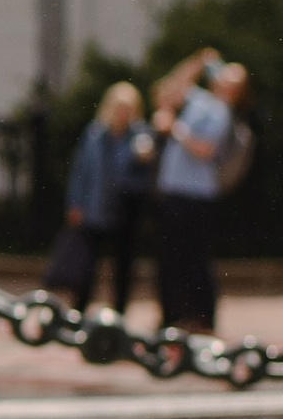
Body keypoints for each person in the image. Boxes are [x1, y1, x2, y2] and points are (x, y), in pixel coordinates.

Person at [151, 53, 248, 334]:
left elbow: (205, 149)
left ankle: (202, 318)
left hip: (196, 196)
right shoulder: (202, 101)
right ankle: (173, 317)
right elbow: (169, 89)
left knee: (194, 259)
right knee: (170, 258)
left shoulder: (222, 111)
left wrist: (175, 129)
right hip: (174, 191)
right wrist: (198, 61)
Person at [45, 79, 145, 312]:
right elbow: (81, 172)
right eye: (119, 107)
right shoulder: (95, 134)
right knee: (87, 264)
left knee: (123, 266)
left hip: (124, 210)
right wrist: (75, 203)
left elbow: (144, 178)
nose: (122, 113)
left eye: (128, 109)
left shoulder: (140, 137)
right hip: (95, 207)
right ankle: (80, 309)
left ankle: (119, 313)